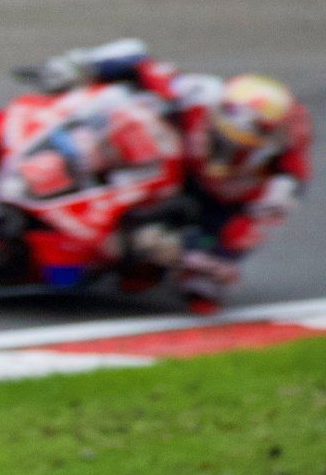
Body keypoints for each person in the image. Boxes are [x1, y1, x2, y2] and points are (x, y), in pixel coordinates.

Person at [32, 39, 310, 311]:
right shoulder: (202, 95)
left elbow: (231, 246)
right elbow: (142, 63)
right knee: (116, 114)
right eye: (219, 138)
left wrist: (184, 255)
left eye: (236, 148)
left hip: (197, 210)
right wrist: (85, 64)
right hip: (164, 162)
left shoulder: (277, 187)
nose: (222, 152)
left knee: (164, 274)